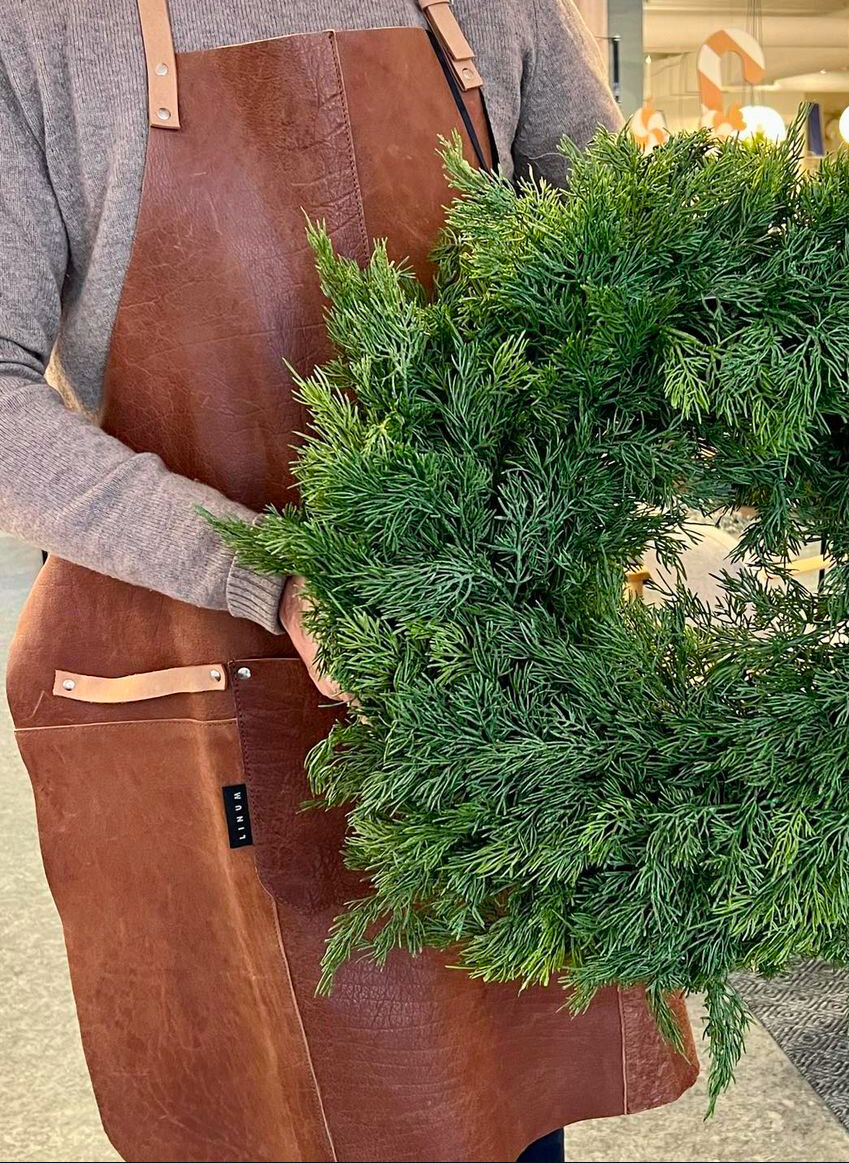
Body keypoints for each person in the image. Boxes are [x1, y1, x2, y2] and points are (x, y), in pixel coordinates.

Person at [0, 3, 698, 1161]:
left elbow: (622, 283)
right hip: (200, 697)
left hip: (482, 700)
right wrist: (268, 570)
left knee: (495, 1099)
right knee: (272, 1106)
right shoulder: (43, 24)